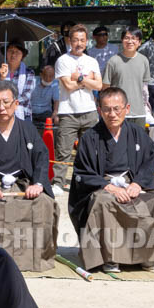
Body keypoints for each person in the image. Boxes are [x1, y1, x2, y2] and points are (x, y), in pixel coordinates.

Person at [68, 87, 154, 275]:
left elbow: (151, 158)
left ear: (127, 108)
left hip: (132, 183)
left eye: (117, 109)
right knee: (103, 202)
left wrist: (138, 183)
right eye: (107, 109)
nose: (112, 114)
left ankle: (151, 258)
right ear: (99, 110)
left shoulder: (137, 133)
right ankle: (110, 258)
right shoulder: (89, 137)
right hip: (103, 185)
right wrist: (108, 187)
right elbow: (82, 172)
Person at [0, 81, 59, 271]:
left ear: (16, 104)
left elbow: (41, 156)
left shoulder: (28, 129)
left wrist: (38, 183)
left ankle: (36, 257)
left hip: (23, 183)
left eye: (6, 102)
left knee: (44, 203)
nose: (1, 107)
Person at [52, 24, 102, 193]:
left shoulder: (92, 61)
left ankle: (89, 180)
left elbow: (99, 85)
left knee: (90, 150)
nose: (79, 43)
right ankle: (58, 182)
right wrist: (87, 80)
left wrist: (79, 78)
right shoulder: (63, 60)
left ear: (87, 41)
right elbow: (68, 85)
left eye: (82, 40)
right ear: (70, 41)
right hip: (68, 111)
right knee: (63, 150)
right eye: (75, 40)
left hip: (89, 111)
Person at [102, 27, 150, 127]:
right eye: (127, 38)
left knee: (138, 137)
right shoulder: (113, 61)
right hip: (117, 113)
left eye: (134, 38)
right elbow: (105, 88)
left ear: (139, 42)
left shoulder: (144, 60)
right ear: (122, 40)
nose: (130, 41)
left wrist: (146, 107)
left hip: (139, 112)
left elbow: (145, 88)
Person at [0, 43, 35, 120]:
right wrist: (2, 78)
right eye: (10, 51)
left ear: (22, 55)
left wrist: (10, 103)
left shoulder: (28, 72)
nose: (13, 54)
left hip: (24, 113)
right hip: (2, 113)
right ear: (6, 53)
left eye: (17, 52)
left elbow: (27, 95)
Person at [29, 65, 59, 132]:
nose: (48, 79)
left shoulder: (55, 83)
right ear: (41, 75)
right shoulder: (33, 81)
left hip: (46, 112)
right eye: (45, 76)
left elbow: (56, 100)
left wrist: (55, 113)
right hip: (31, 111)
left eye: (51, 76)